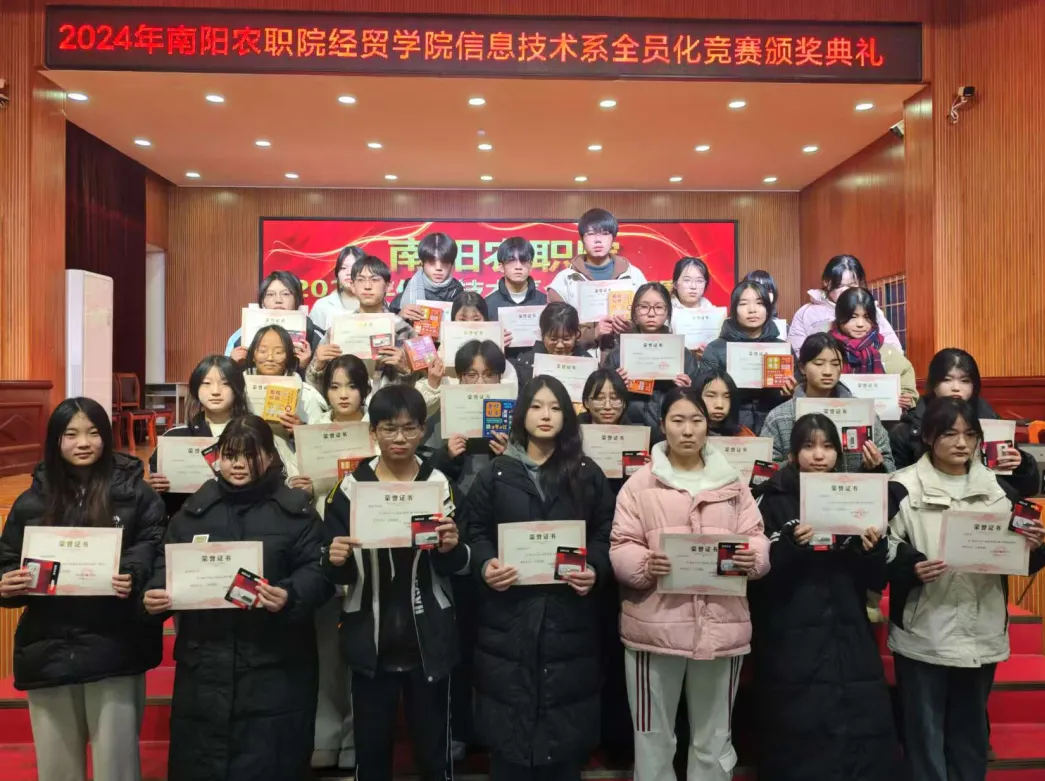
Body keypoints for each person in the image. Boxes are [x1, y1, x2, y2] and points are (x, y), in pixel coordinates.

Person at [142, 415, 331, 781]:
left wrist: (289, 594)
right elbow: (166, 566)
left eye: (250, 455)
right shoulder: (193, 513)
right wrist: (154, 594)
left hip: (275, 663)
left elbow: (318, 570)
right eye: (230, 455)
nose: (239, 464)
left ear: (270, 457)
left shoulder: (296, 513)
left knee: (269, 760)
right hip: (205, 662)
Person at [0, 398, 165, 781]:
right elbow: (7, 559)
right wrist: (7, 582)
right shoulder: (31, 501)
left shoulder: (138, 495)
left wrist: (131, 574)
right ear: (55, 441)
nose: (83, 442)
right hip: (49, 645)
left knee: (117, 766)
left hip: (116, 642)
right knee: (57, 768)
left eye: (93, 432)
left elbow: (153, 547)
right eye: (71, 434)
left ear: (106, 437)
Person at [610, 388, 769, 781]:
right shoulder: (640, 485)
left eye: (696, 420)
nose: (687, 430)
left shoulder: (732, 483)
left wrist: (752, 557)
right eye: (678, 420)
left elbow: (756, 536)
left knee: (714, 737)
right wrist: (645, 563)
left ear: (707, 425)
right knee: (653, 737)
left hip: (721, 627)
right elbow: (621, 544)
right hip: (654, 628)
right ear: (662, 425)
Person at [463, 375, 613, 781]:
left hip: (569, 619)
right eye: (536, 406)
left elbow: (605, 532)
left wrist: (595, 568)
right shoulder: (496, 474)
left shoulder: (587, 473)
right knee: (509, 741)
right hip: (508, 618)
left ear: (567, 417)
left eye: (555, 407)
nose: (546, 415)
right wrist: (485, 564)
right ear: (521, 415)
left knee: (563, 743)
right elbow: (474, 531)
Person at [886, 397, 1045, 781]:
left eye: (970, 434)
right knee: (924, 735)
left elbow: (1022, 560)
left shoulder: (1000, 489)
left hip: (981, 627)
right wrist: (911, 566)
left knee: (970, 734)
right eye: (949, 434)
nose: (961, 443)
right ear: (927, 436)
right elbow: (882, 547)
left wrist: (1036, 546)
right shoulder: (901, 487)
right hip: (924, 629)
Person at [323, 385, 468, 781]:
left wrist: (451, 548)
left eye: (409, 428)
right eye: (389, 428)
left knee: (434, 752)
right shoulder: (350, 487)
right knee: (370, 752)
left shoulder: (439, 484)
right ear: (373, 432)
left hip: (430, 635)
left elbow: (460, 561)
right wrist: (335, 559)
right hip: (369, 637)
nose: (399, 438)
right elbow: (333, 567)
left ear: (422, 430)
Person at [749, 413, 897, 781]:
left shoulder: (855, 495)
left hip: (848, 629)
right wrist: (790, 548)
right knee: (798, 733)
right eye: (809, 446)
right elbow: (759, 577)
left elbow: (875, 578)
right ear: (792, 454)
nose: (819, 455)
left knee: (857, 730)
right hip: (790, 633)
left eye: (828, 447)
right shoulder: (772, 498)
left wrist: (871, 551)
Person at [577, 366, 644, 765]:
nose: (607, 404)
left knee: (621, 650)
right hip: (589, 551)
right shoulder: (572, 442)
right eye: (598, 397)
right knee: (591, 645)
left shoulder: (640, 441)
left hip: (630, 549)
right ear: (585, 401)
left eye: (615, 397)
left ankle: (620, 737)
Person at [308, 353, 372, 770]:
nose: (343, 394)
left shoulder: (378, 431)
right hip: (322, 543)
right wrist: (300, 483)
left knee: (360, 650)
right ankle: (326, 736)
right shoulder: (310, 432)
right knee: (326, 652)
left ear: (365, 390)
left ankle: (354, 739)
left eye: (351, 386)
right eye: (334, 386)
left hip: (369, 547)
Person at [890, 348, 1041, 497]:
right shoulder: (909, 429)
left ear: (974, 385)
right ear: (933, 384)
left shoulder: (992, 424)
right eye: (947, 380)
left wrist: (1021, 466)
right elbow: (897, 489)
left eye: (965, 381)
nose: (956, 388)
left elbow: (1025, 489)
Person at [761, 333, 895, 472]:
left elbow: (889, 464)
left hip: (852, 486)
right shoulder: (780, 416)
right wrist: (792, 464)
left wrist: (876, 465)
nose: (828, 371)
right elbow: (762, 473)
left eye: (835, 364)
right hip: (797, 486)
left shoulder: (863, 413)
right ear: (802, 367)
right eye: (819, 364)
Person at [147, 354, 249, 519]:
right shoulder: (175, 438)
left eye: (225, 384)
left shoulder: (254, 435)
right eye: (207, 383)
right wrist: (153, 487)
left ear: (237, 388)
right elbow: (160, 499)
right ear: (196, 389)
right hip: (189, 521)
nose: (215, 391)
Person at [306, 255, 417, 398]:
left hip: (390, 407)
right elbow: (314, 391)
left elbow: (424, 385)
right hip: (347, 406)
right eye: (360, 280)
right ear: (352, 286)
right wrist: (318, 366)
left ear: (388, 286)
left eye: (374, 279)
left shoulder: (405, 330)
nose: (367, 286)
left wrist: (405, 370)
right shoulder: (338, 329)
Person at [603, 282, 703, 436]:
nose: (651, 313)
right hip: (629, 431)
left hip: (671, 433)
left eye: (659, 307)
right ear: (634, 313)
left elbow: (698, 400)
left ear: (668, 312)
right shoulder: (618, 355)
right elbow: (602, 396)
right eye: (644, 307)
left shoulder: (682, 354)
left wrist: (687, 390)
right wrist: (616, 386)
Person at [547, 208, 648, 349]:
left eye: (605, 234)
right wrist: (592, 334)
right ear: (582, 239)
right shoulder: (564, 281)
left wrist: (630, 329)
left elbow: (649, 319)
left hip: (625, 355)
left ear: (613, 238)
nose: (598, 240)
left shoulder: (634, 276)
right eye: (591, 234)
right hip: (582, 357)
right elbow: (553, 327)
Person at [701, 280, 792, 435]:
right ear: (734, 309)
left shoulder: (782, 349)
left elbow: (796, 395)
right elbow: (705, 394)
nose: (752, 310)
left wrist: (790, 392)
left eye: (759, 303)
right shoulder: (716, 349)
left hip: (774, 425)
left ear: (768, 309)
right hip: (729, 427)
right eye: (743, 304)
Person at [789, 255, 902, 355]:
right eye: (839, 285)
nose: (845, 290)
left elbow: (894, 349)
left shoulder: (871, 310)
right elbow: (796, 352)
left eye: (852, 285)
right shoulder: (806, 312)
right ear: (826, 282)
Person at [830, 287, 918, 405]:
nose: (860, 324)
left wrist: (907, 399)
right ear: (840, 317)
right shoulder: (827, 348)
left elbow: (908, 389)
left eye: (866, 317)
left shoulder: (887, 351)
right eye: (853, 317)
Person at [225, 270, 322, 369]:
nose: (278, 300)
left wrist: (306, 366)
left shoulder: (316, 336)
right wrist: (233, 364)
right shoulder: (242, 335)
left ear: (297, 298)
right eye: (270, 294)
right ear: (262, 301)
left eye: (285, 294)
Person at [514, 301, 593, 385]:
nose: (560, 345)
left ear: (576, 334)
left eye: (566, 339)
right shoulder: (525, 364)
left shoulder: (588, 363)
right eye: (553, 339)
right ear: (542, 334)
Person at [485, 237, 549, 334]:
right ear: (501, 267)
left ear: (531, 266)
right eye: (511, 261)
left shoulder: (545, 303)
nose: (518, 267)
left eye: (523, 261)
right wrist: (495, 339)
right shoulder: (487, 304)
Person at [394, 232, 466, 318]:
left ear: (452, 264)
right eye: (432, 262)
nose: (438, 268)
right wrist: (399, 318)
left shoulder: (462, 298)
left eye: (445, 262)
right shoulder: (405, 295)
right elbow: (388, 324)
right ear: (422, 263)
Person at [309, 245, 364, 332]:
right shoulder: (322, 305)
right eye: (343, 268)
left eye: (355, 268)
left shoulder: (380, 305)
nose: (349, 273)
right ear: (337, 274)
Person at [698, 370, 756, 437]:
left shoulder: (744, 436)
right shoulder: (689, 433)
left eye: (727, 397)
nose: (719, 405)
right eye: (711, 396)